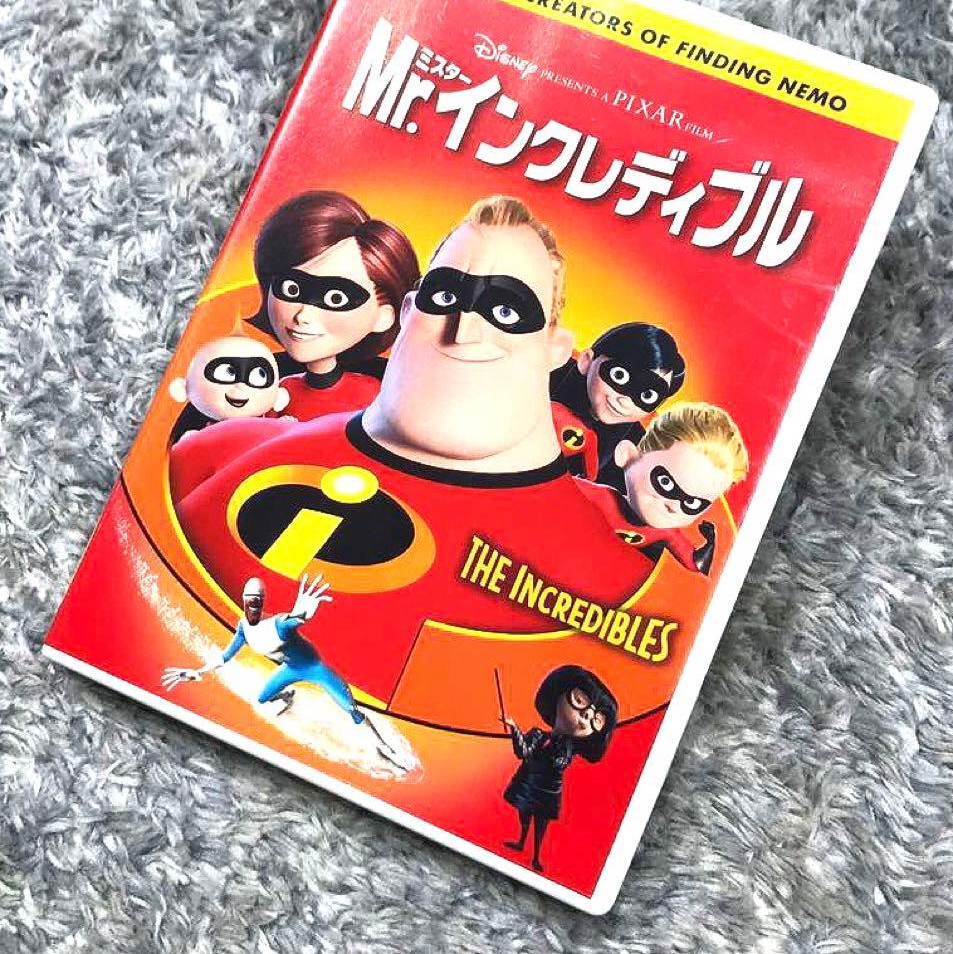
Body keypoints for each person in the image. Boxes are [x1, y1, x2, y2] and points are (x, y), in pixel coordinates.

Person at [169, 195, 652, 710]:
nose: (464, 330)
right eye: (445, 296)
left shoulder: (612, 582)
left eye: (506, 311)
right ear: (407, 313)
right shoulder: (223, 450)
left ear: (555, 350)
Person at [160, 574, 407, 768]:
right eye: (249, 599)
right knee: (262, 699)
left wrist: (302, 613)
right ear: (243, 600)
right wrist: (199, 671)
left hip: (314, 668)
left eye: (257, 600)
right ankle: (287, 696)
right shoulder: (244, 628)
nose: (253, 604)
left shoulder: (278, 624)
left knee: (350, 708)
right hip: (290, 669)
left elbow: (295, 619)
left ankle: (384, 747)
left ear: (262, 602)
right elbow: (225, 656)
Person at [247, 190, 420, 420]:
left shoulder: (376, 395)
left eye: (336, 299)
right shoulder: (277, 393)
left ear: (384, 316)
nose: (303, 315)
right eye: (292, 289)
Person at [577, 402, 749, 576]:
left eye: (692, 503)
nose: (673, 506)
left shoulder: (667, 534)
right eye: (666, 483)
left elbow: (695, 563)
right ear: (627, 456)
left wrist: (710, 542)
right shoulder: (603, 498)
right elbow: (564, 486)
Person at [501, 665, 617, 873]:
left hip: (548, 790)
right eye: (579, 701)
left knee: (541, 823)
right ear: (558, 695)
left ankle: (536, 855)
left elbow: (559, 762)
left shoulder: (568, 748)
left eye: (596, 720)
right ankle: (521, 841)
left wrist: (554, 750)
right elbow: (523, 752)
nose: (585, 716)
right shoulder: (538, 734)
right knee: (524, 813)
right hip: (529, 783)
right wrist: (514, 728)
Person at [550, 322, 686, 488]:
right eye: (619, 376)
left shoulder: (636, 450)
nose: (624, 401)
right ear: (586, 360)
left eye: (647, 396)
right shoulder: (548, 368)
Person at [168, 332, 292, 442]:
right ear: (182, 389)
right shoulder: (200, 436)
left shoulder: (268, 429)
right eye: (228, 372)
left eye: (260, 375)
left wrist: (282, 429)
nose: (240, 386)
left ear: (279, 397)